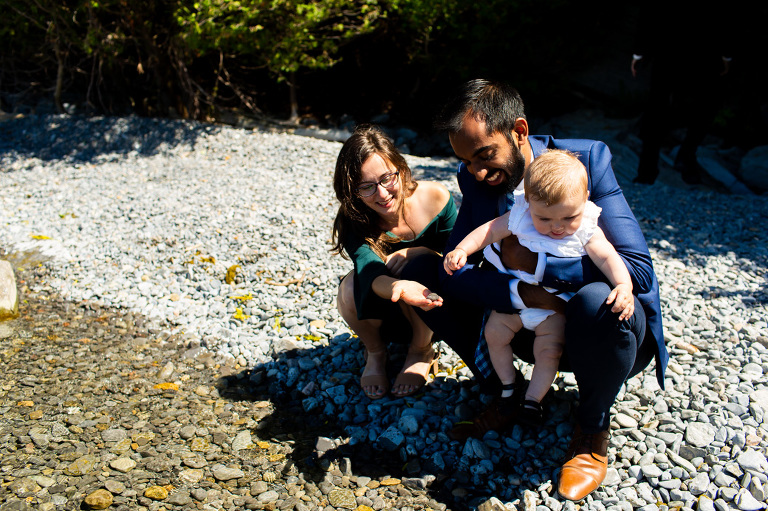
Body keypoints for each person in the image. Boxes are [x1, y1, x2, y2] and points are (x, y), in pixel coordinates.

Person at [400, 79, 668, 501]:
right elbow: (457, 265)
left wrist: (539, 266)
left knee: (600, 300)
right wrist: (519, 293)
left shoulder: (587, 161)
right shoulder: (476, 180)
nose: (479, 172)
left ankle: (592, 428)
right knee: (423, 269)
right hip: (521, 321)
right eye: (467, 162)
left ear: (519, 131)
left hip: (596, 331)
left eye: (486, 155)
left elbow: (638, 271)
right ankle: (504, 392)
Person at [443, 149, 635, 427]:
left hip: (553, 307)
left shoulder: (585, 228)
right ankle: (509, 385)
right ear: (529, 202)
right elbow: (490, 231)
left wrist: (623, 285)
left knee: (548, 351)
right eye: (544, 219)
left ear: (584, 201)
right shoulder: (520, 215)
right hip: (518, 298)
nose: (557, 227)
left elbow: (607, 256)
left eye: (568, 218)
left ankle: (534, 399)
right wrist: (462, 249)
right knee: (494, 335)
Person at [331, 124, 455, 399]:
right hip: (387, 309)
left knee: (420, 268)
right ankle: (375, 352)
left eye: (387, 178)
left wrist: (422, 252)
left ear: (401, 169)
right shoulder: (354, 221)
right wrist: (401, 288)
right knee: (348, 288)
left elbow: (464, 256)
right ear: (353, 191)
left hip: (438, 308)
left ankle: (421, 350)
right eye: (366, 187)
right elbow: (369, 273)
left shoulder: (436, 198)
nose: (382, 193)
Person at [631, 2, 732, 185]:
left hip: (672, 44)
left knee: (661, 105)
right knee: (702, 104)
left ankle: (649, 170)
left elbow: (649, 12)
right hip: (702, 44)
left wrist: (640, 52)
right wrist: (726, 53)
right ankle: (682, 157)